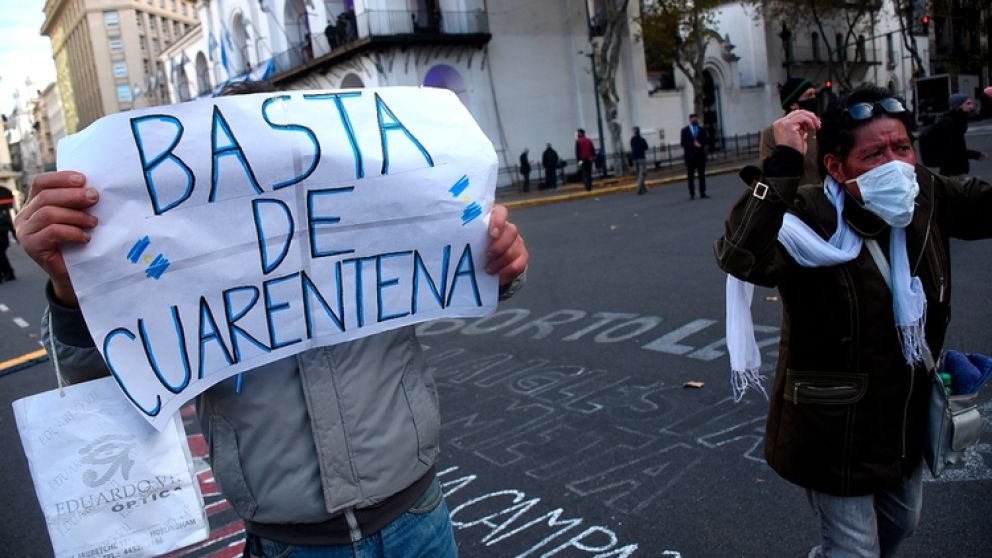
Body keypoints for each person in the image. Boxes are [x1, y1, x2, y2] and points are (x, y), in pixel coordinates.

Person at [17, 80, 530, 558]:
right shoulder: (187, 262)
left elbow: (459, 266)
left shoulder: (369, 220)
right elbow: (97, 376)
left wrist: (500, 265)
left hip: (417, 519)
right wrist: (73, 286)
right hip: (288, 542)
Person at [715, 85, 992, 557]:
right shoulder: (807, 217)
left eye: (902, 147)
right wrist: (781, 163)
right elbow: (742, 254)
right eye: (874, 154)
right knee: (857, 550)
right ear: (837, 168)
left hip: (900, 419)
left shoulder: (925, 194)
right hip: (831, 428)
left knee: (901, 525)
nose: (895, 164)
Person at [759, 77, 821, 185]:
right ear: (793, 104)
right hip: (795, 197)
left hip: (823, 196)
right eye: (808, 96)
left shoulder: (820, 126)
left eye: (814, 94)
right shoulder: (772, 133)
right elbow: (768, 174)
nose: (814, 99)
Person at [937, 93, 986, 178]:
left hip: (955, 169)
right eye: (968, 103)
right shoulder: (952, 123)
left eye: (971, 103)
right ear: (958, 106)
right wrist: (975, 155)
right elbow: (955, 150)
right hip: (953, 170)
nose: (971, 106)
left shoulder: (957, 120)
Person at [680, 114, 708, 199]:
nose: (694, 120)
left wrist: (701, 144)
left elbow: (705, 140)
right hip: (690, 157)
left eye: (695, 119)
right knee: (690, 176)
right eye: (693, 119)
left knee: (701, 175)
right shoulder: (685, 130)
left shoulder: (701, 129)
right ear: (690, 120)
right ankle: (692, 193)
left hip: (700, 156)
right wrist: (693, 144)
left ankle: (702, 192)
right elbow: (683, 143)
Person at [0, 186, 15, 282]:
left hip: (2, 239)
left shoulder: (2, 217)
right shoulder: (4, 216)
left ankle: (8, 272)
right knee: (2, 256)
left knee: (1, 256)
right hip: (3, 239)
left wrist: (15, 236)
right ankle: (6, 273)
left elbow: (9, 226)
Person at [630, 127, 649, 195]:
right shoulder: (642, 139)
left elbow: (632, 147)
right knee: (643, 174)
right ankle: (639, 188)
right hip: (641, 157)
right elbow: (646, 147)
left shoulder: (632, 140)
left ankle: (643, 188)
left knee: (639, 173)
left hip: (635, 158)